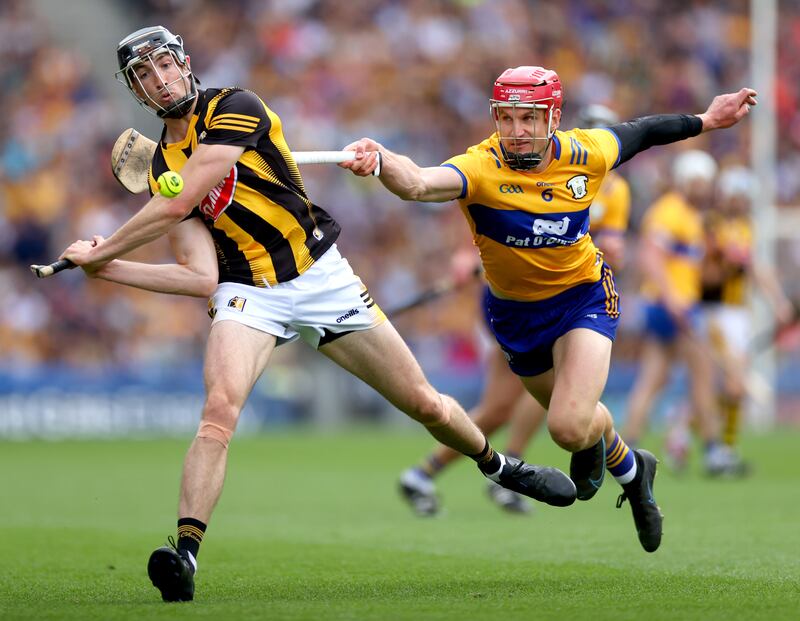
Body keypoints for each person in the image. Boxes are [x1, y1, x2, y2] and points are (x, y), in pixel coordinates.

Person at [60, 30, 577, 602]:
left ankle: (498, 465)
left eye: (165, 65)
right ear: (137, 91)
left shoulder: (235, 106)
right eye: (145, 75)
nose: (161, 80)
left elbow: (181, 203)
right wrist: (105, 271)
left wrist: (107, 249)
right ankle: (184, 554)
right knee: (218, 411)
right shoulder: (162, 168)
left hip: (321, 275)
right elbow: (200, 277)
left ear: (185, 64)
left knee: (424, 403)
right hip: (246, 290)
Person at [341, 65, 758, 553]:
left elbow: (643, 132)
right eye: (507, 118)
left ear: (553, 117)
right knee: (579, 422)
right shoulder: (478, 168)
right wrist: (382, 160)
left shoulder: (587, 151)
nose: (516, 132)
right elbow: (416, 183)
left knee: (566, 425)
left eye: (529, 119)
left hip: (583, 298)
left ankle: (608, 457)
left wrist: (706, 120)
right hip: (516, 319)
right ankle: (636, 473)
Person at [398, 103, 632, 516]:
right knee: (506, 405)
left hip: (571, 298)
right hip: (518, 305)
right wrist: (468, 258)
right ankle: (448, 473)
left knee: (527, 405)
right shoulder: (525, 167)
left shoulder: (612, 190)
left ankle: (441, 472)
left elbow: (609, 241)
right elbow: (486, 209)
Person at [622, 150, 745, 475]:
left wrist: (728, 265)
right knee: (702, 375)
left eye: (705, 182)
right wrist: (673, 298)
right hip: (670, 306)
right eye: (698, 182)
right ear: (685, 180)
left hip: (675, 303)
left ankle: (626, 448)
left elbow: (696, 272)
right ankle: (713, 451)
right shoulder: (668, 212)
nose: (703, 188)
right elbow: (651, 258)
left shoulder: (694, 218)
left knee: (654, 377)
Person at [664, 165, 793, 473]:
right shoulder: (709, 225)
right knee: (734, 385)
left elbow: (755, 268)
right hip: (712, 313)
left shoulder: (747, 227)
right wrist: (724, 261)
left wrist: (777, 300)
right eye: (737, 195)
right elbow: (704, 277)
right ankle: (723, 449)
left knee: (723, 390)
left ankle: (683, 430)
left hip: (739, 314)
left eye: (745, 196)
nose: (741, 201)